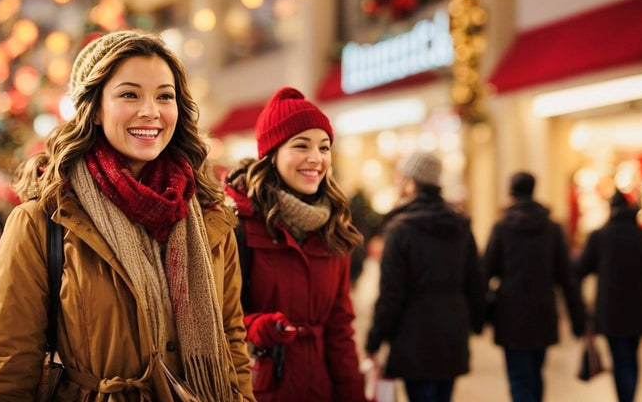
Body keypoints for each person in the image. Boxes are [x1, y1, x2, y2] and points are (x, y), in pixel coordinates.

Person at [0, 30, 255, 401]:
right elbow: (10, 366)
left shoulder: (211, 218)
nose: (150, 111)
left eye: (164, 96)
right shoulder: (44, 221)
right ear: (93, 109)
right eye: (129, 94)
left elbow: (232, 344)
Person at [224, 87, 365, 400]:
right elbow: (217, 319)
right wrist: (258, 326)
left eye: (324, 148)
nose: (315, 158)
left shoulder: (334, 227)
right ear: (272, 154)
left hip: (320, 388)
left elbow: (339, 329)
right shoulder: (237, 224)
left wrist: (353, 392)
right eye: (301, 146)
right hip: (259, 389)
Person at [364, 151, 486, 402]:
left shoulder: (401, 228)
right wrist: (477, 321)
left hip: (413, 335)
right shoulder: (460, 223)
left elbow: (391, 292)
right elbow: (475, 279)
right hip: (452, 330)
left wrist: (374, 341)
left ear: (412, 182)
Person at [483, 171, 586, 402]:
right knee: (536, 372)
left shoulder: (502, 227)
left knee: (518, 376)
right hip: (543, 310)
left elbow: (485, 272)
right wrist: (578, 319)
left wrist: (477, 317)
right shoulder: (551, 228)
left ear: (511, 192)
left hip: (510, 312)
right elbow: (567, 278)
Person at [575, 188, 642, 402]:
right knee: (632, 356)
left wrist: (581, 307)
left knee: (619, 357)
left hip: (609, 308)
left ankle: (624, 397)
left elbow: (579, 269)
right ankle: (629, 396)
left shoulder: (600, 236)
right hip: (637, 308)